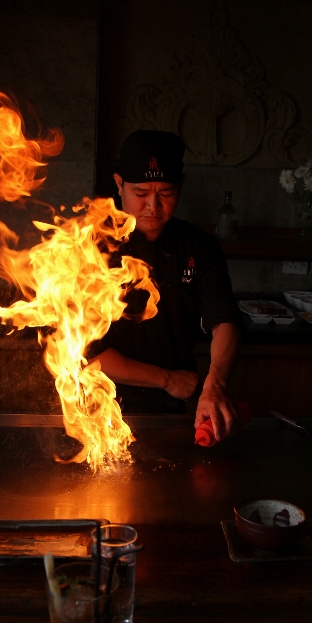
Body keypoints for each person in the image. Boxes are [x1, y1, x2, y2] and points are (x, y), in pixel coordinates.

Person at [89, 130, 242, 440]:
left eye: (166, 193)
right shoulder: (90, 247)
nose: (153, 206)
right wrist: (167, 379)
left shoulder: (199, 247)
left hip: (171, 413)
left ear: (181, 186)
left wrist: (215, 385)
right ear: (119, 184)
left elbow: (224, 318)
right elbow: (89, 353)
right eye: (141, 192)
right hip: (97, 408)